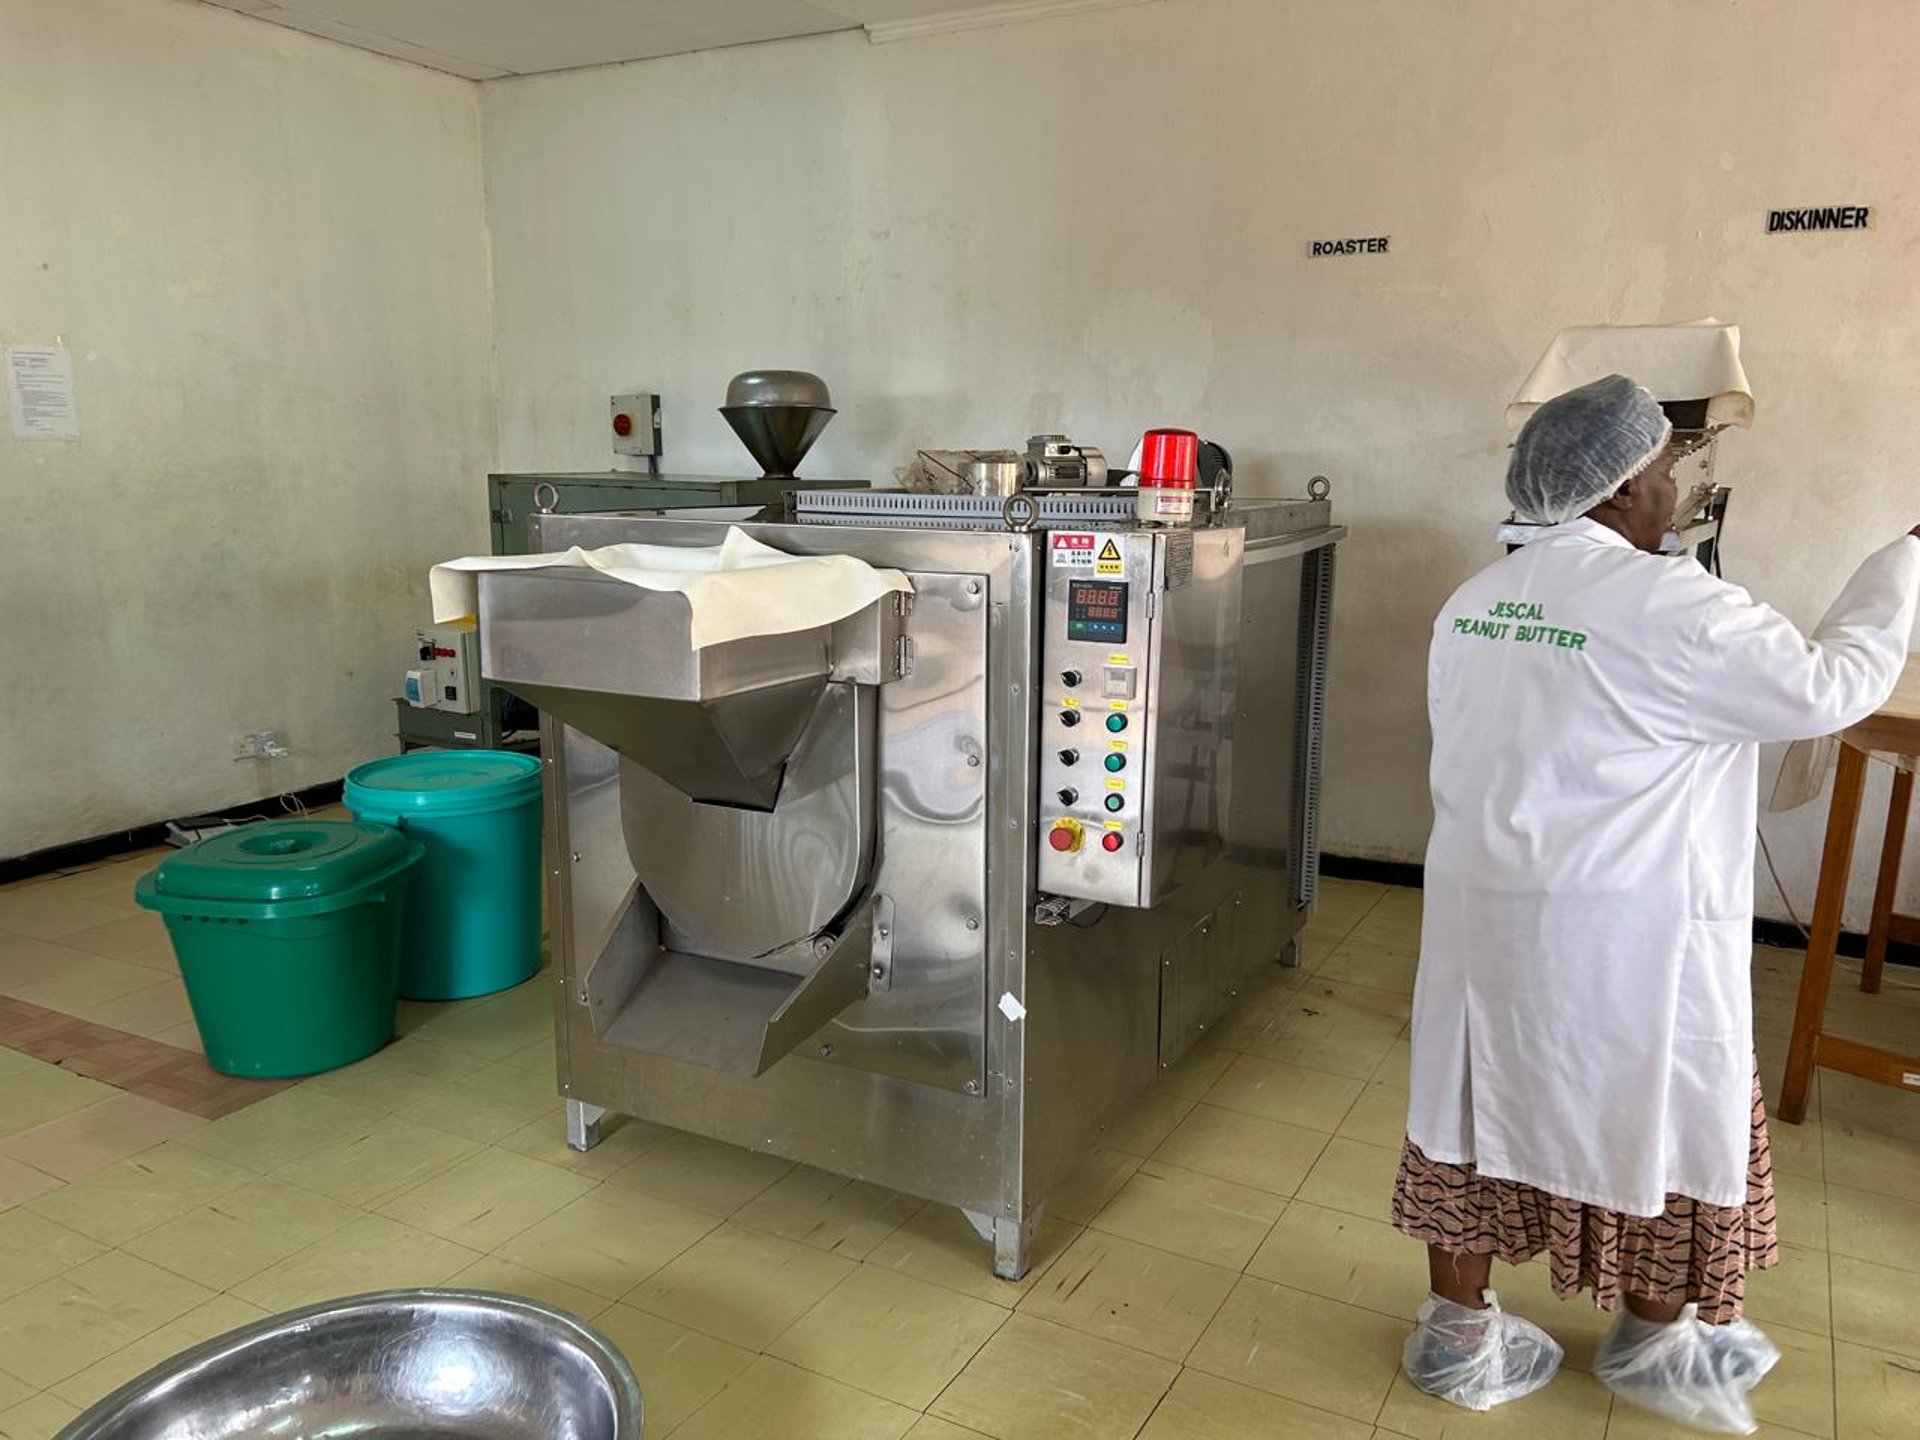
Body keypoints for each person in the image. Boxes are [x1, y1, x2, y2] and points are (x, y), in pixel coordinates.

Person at [1391, 374, 1920, 1432]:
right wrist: (1904, 559)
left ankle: (1458, 1337)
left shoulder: (1477, 599)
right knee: (1661, 1119)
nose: (1679, 487)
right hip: (1624, 936)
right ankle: (1653, 1340)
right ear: (1626, 485)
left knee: (1468, 1109)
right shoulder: (1676, 606)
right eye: (1672, 467)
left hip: (1483, 920)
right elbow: (1830, 688)